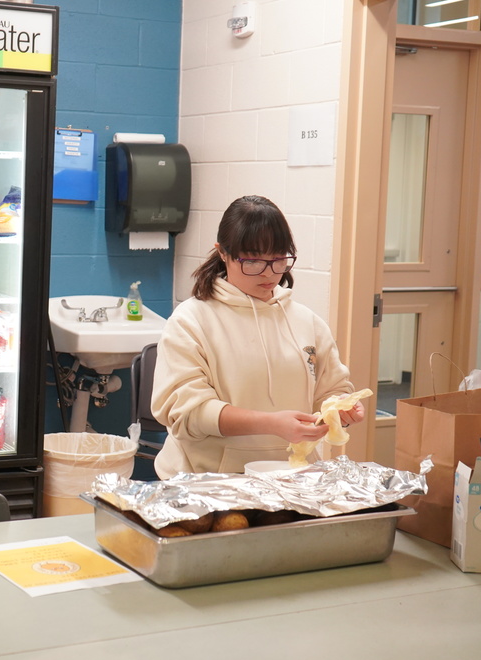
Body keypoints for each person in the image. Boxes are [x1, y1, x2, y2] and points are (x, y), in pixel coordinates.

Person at [150, 195, 365, 478]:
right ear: (223, 253)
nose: (269, 273)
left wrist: (342, 410)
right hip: (208, 481)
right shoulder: (192, 320)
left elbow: (332, 390)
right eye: (252, 261)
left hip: (292, 478)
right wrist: (271, 423)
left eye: (278, 260)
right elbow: (187, 412)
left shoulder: (305, 321)